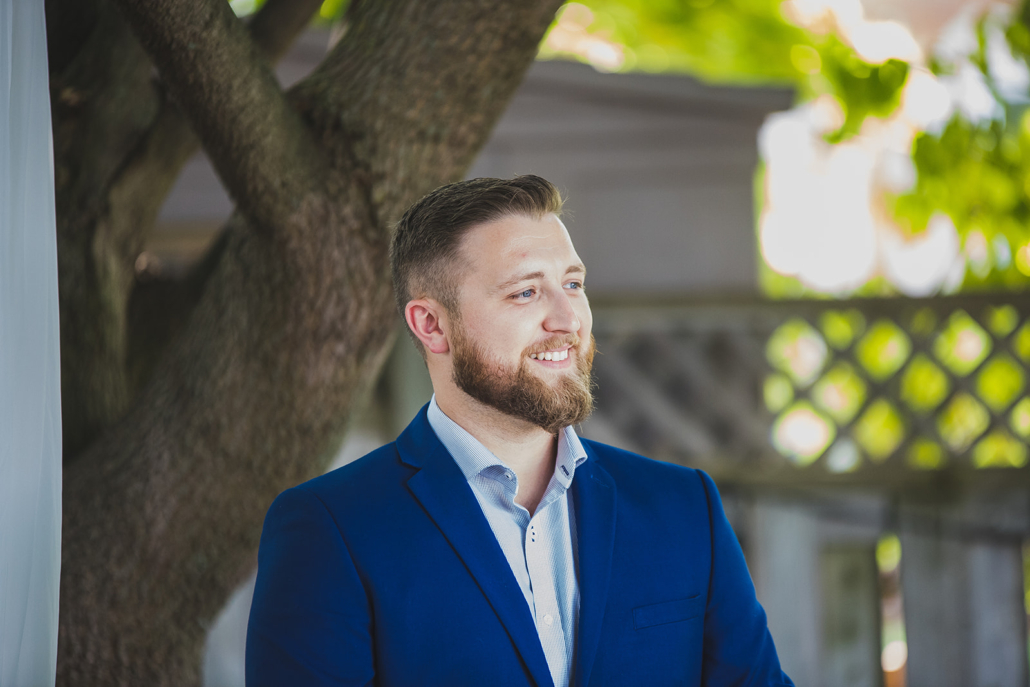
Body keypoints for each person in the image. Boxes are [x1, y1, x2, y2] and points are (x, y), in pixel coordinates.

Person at [245, 175, 793, 687]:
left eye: (573, 283)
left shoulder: (683, 508)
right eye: (526, 293)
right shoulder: (330, 529)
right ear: (432, 325)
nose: (568, 318)